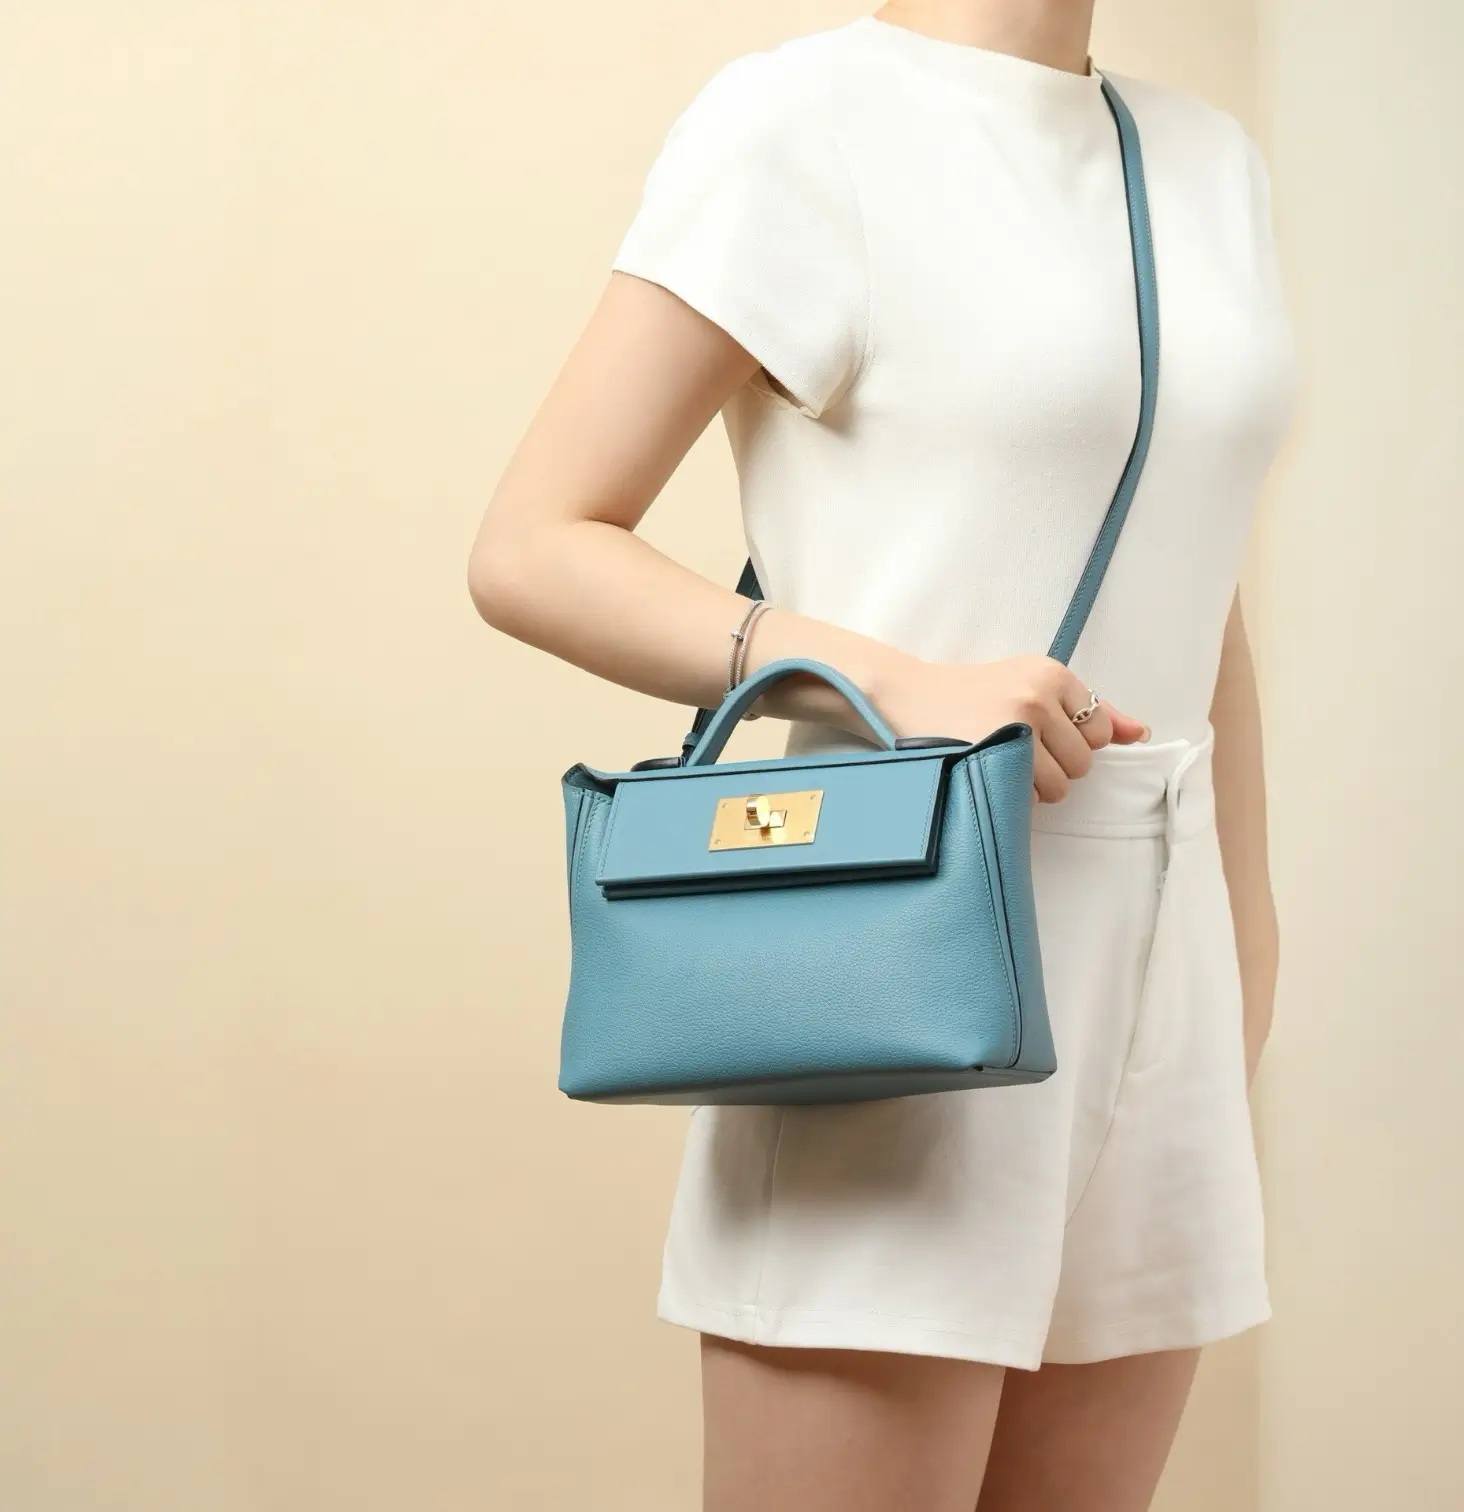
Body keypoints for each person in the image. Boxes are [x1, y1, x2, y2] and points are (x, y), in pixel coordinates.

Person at [468, 1, 1297, 1507]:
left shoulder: (1206, 161)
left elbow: (1199, 578)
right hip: (891, 963)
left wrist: (1247, 952)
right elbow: (533, 543)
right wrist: (899, 682)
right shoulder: (806, 124)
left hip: (1163, 989)